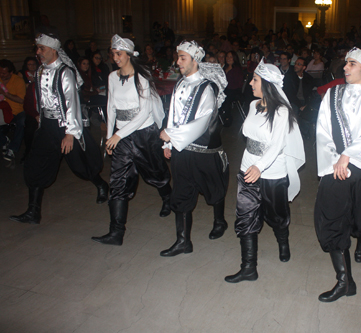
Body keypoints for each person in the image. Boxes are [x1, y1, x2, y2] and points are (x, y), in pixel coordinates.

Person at [314, 47, 361, 302]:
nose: (345, 68)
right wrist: (335, 160)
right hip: (337, 166)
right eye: (345, 63)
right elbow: (322, 130)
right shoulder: (332, 93)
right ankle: (345, 281)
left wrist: (349, 154)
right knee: (334, 219)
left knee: (359, 219)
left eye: (351, 64)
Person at [9, 34, 108, 225]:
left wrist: (70, 133)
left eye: (42, 49)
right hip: (46, 125)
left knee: (80, 164)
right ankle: (33, 211)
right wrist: (40, 115)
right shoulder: (39, 72)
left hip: (66, 126)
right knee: (36, 164)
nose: (38, 52)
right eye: (37, 48)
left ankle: (101, 184)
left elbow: (72, 103)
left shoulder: (65, 73)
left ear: (53, 50)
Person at [224, 59, 305, 283]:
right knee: (246, 215)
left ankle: (283, 240)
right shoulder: (252, 105)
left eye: (255, 80)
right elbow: (249, 137)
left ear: (268, 84)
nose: (250, 83)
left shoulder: (281, 112)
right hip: (248, 167)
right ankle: (249, 267)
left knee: (277, 216)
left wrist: (260, 167)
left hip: (272, 172)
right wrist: (250, 166)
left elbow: (277, 144)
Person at [91, 35, 172, 246]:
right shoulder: (111, 77)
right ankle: (116, 232)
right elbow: (111, 107)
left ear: (129, 55)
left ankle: (167, 197)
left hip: (144, 134)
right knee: (118, 183)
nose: (115, 57)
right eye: (113, 53)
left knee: (155, 174)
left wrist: (118, 134)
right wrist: (110, 135)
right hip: (121, 137)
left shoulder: (142, 78)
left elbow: (144, 112)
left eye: (118, 54)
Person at [159, 41, 229, 257]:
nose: (178, 62)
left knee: (213, 189)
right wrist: (167, 143)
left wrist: (173, 136)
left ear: (194, 60)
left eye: (182, 58)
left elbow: (202, 121)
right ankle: (183, 242)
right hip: (182, 151)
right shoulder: (180, 83)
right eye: (177, 57)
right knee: (181, 195)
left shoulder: (207, 87)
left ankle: (220, 221)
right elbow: (172, 114)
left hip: (203, 152)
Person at [0, 59, 26, 161]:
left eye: (4, 73)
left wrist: (6, 94)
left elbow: (21, 100)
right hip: (2, 109)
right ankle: (4, 141)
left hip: (16, 111)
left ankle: (12, 148)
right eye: (0, 72)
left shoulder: (18, 81)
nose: (1, 75)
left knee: (22, 121)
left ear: (11, 72)